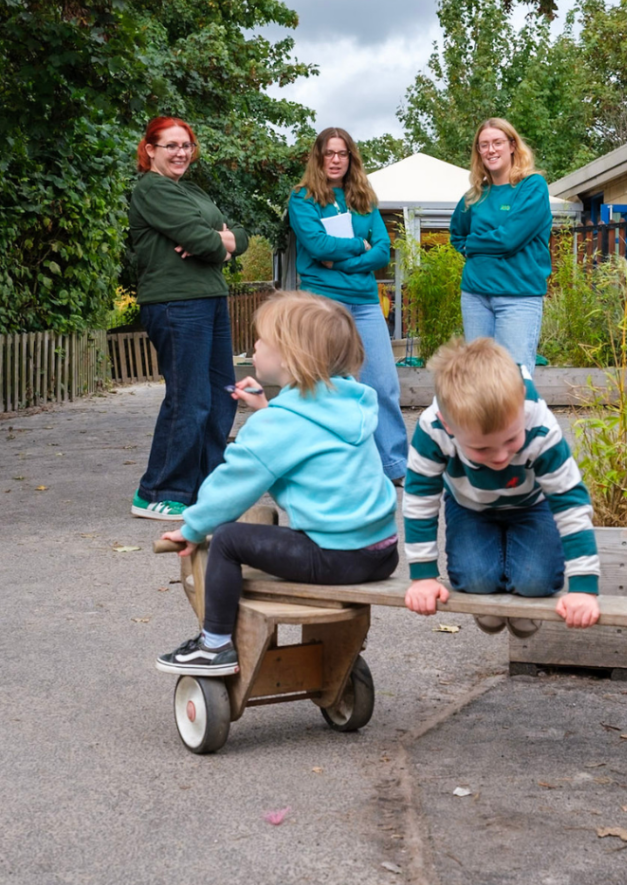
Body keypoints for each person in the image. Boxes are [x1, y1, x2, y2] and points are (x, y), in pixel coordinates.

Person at [156, 291, 398, 676]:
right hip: (382, 551)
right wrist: (268, 408)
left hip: (335, 557)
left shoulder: (279, 425)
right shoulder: (350, 403)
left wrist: (192, 527)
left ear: (288, 356)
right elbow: (305, 432)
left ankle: (214, 645)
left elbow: (232, 485)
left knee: (230, 539)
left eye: (262, 340)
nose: (254, 345)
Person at [403, 337, 601, 636]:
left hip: (531, 505)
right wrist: (423, 576)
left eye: (511, 440)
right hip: (470, 506)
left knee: (535, 581)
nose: (499, 457)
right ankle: (489, 608)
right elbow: (419, 498)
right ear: (448, 424)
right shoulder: (433, 428)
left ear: (521, 400)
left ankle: (522, 611)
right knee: (475, 581)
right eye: (481, 449)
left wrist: (584, 588)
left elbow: (570, 501)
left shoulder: (540, 425)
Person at [129, 116, 249, 520]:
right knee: (190, 398)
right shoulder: (152, 189)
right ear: (150, 150)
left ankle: (206, 486)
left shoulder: (191, 190)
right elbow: (204, 239)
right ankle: (159, 491)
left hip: (210, 296)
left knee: (221, 394)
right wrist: (216, 240)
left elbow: (240, 238)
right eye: (171, 146)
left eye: (186, 146)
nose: (181, 153)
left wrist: (219, 241)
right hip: (175, 303)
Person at [287, 127, 407, 484]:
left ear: (351, 158)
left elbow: (383, 251)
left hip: (366, 303)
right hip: (323, 301)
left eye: (342, 154)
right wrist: (359, 247)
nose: (336, 160)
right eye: (329, 153)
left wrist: (343, 259)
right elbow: (318, 246)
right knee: (324, 384)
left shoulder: (364, 198)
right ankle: (323, 467)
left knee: (382, 383)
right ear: (319, 157)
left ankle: (394, 466)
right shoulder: (303, 198)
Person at [449, 119, 552, 374]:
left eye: (497, 143)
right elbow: (456, 235)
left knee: (513, 380)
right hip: (475, 296)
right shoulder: (474, 195)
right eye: (484, 145)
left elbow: (509, 239)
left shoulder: (532, 187)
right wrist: (476, 243)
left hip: (518, 296)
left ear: (512, 146)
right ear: (479, 152)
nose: (491, 150)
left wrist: (474, 243)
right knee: (479, 379)